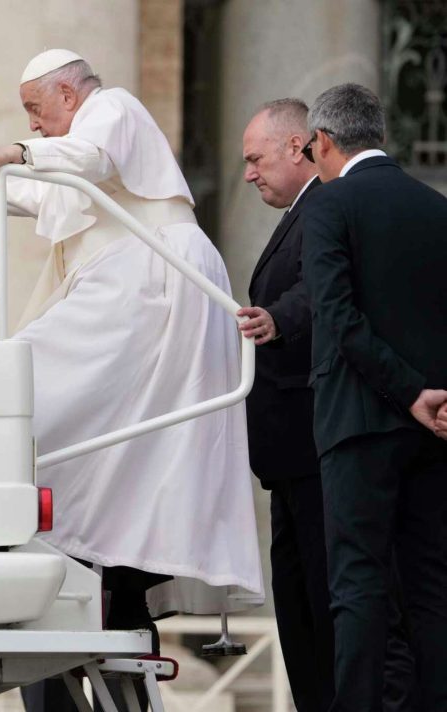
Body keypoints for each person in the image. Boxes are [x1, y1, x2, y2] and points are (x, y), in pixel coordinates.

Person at [0, 48, 263, 709]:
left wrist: (9, 152)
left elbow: (83, 163)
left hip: (152, 283)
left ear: (69, 93)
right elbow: (56, 191)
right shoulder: (79, 135)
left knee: (22, 383)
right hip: (134, 287)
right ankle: (92, 557)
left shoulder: (113, 109)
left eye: (36, 110)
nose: (34, 126)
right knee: (109, 447)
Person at [302, 83, 447, 711]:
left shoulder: (330, 206)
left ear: (325, 142)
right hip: (434, 428)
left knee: (357, 586)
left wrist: (409, 390)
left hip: (359, 425)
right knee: (433, 585)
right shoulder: (434, 207)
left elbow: (336, 315)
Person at [240, 98, 333, 712]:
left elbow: (317, 289)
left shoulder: (325, 208)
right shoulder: (300, 211)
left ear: (297, 146)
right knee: (298, 608)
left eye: (255, 158)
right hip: (288, 453)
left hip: (313, 445)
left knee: (320, 605)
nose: (248, 173)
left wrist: (278, 319)